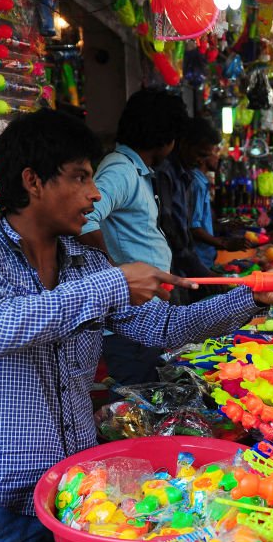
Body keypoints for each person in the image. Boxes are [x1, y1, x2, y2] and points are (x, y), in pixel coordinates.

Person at [0, 109, 273, 542]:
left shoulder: (86, 262)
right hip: (10, 501)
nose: (95, 194)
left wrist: (250, 298)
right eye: (80, 177)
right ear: (32, 182)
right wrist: (114, 283)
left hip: (82, 497)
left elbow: (162, 328)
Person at [79, 89, 188, 385]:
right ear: (166, 138)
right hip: (130, 322)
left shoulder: (135, 171)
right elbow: (85, 218)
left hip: (146, 316)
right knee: (135, 402)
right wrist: (116, 274)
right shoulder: (120, 170)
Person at [155, 116, 225, 283]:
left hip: (185, 266)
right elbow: (171, 228)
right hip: (171, 268)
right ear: (184, 143)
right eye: (200, 154)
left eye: (206, 156)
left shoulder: (187, 176)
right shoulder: (166, 173)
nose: (202, 160)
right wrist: (203, 273)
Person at [191, 144, 246, 269]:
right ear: (201, 157)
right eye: (215, 152)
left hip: (205, 258)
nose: (218, 158)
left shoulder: (201, 182)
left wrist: (224, 225)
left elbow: (202, 222)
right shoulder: (196, 183)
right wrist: (224, 243)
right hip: (199, 260)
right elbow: (194, 228)